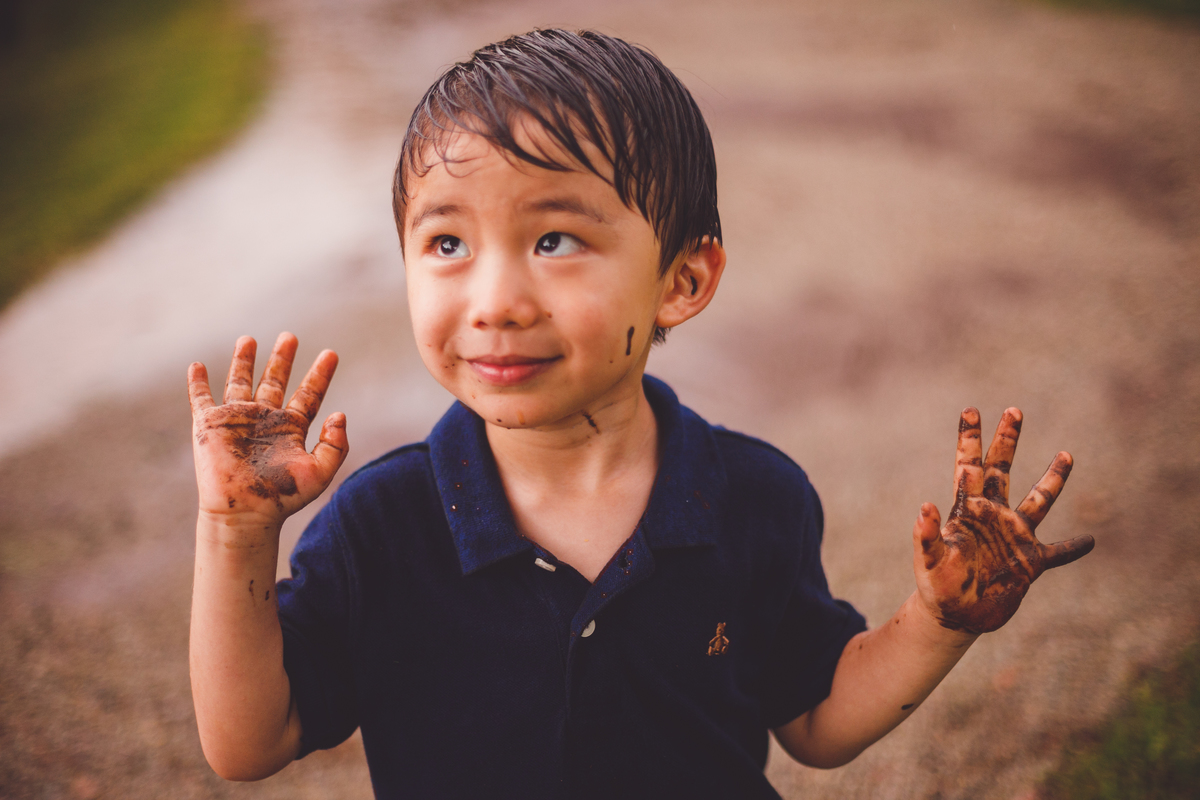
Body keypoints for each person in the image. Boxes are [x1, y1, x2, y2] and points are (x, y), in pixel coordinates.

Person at [186, 28, 1095, 799]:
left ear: (682, 280)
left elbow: (817, 721)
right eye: (448, 242)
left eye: (555, 239)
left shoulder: (754, 498)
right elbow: (250, 743)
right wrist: (235, 536)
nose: (495, 299)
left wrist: (937, 619)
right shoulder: (379, 530)